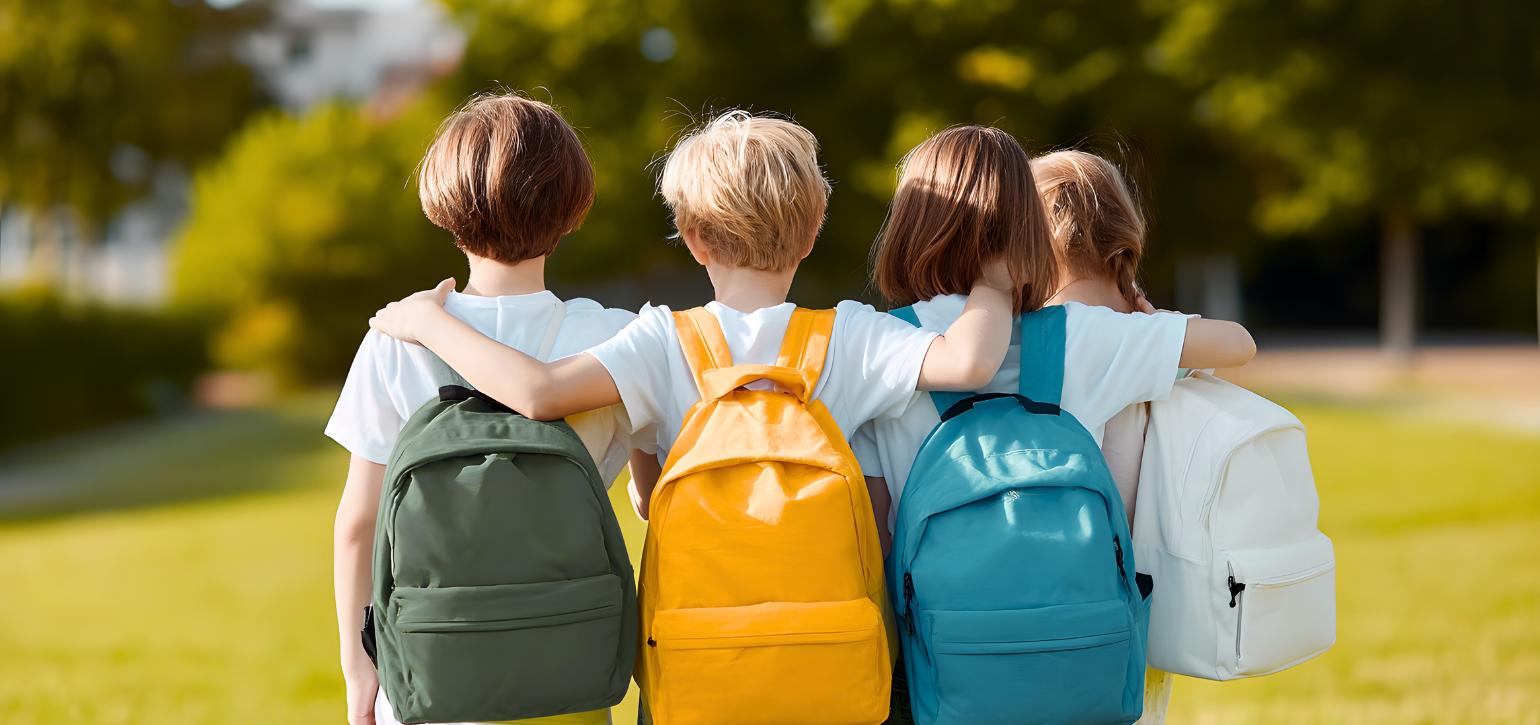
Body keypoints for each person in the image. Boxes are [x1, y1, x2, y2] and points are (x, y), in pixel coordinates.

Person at [854, 134, 1257, 724]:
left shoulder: (878, 345)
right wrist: (1139, 305)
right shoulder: (1083, 335)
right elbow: (1237, 345)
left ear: (909, 224)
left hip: (938, 667)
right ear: (1027, 231)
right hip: (1076, 651)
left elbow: (876, 541)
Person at [326, 92, 655, 725]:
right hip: (570, 672)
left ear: (443, 206)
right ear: (572, 207)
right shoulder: (614, 337)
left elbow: (357, 524)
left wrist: (357, 667)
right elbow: (651, 497)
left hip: (430, 671)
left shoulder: (398, 335)